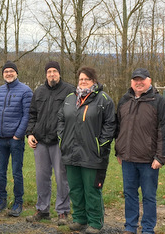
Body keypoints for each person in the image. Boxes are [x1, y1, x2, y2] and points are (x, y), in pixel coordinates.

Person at [56, 66, 116, 234]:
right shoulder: (69, 99)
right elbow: (61, 120)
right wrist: (62, 140)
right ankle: (80, 219)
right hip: (71, 152)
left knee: (92, 190)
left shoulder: (103, 100)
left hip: (93, 154)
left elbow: (110, 125)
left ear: (94, 81)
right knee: (75, 189)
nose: (83, 82)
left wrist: (101, 144)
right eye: (81, 79)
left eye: (86, 79)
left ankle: (95, 222)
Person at [115, 68, 165, 234]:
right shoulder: (124, 100)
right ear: (131, 82)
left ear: (149, 80)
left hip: (149, 160)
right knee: (130, 194)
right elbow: (118, 127)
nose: (138, 83)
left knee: (149, 196)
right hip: (128, 159)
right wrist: (118, 151)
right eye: (135, 80)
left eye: (142, 79)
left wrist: (160, 157)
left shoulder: (158, 101)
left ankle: (147, 228)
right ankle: (130, 227)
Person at [25, 61, 74, 224]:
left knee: (62, 177)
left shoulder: (69, 91)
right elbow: (32, 114)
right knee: (42, 177)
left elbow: (73, 116)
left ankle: (63, 211)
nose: (51, 74)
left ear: (59, 73)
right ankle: (42, 209)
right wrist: (30, 133)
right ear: (46, 74)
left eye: (54, 71)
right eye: (49, 72)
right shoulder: (39, 91)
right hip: (40, 142)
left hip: (59, 142)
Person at [0, 61, 33, 217]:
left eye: (11, 71)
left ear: (16, 73)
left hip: (15, 139)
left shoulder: (26, 91)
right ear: (3, 74)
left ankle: (18, 202)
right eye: (6, 71)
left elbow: (27, 115)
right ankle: (1, 199)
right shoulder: (0, 91)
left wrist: (18, 134)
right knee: (0, 173)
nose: (8, 73)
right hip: (0, 139)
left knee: (16, 173)